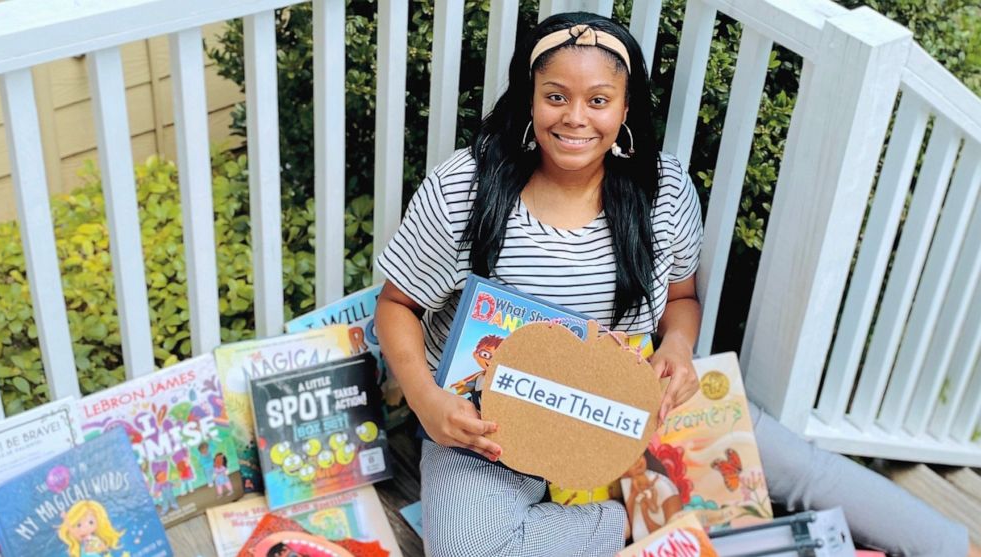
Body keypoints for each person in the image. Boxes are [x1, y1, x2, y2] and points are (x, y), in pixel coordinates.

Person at [373, 11, 969, 557]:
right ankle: (628, 522)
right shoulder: (468, 186)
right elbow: (395, 304)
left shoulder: (660, 191)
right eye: (555, 96)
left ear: (626, 108)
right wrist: (428, 403)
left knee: (805, 471)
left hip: (636, 401)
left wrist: (678, 349)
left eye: (598, 100)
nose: (575, 117)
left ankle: (955, 547)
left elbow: (681, 301)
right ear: (530, 100)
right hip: (490, 420)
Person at [57, 499, 123, 557]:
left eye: (90, 522)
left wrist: (104, 549)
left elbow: (103, 548)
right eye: (79, 525)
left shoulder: (92, 539)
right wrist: (66, 519)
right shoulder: (83, 539)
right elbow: (72, 531)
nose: (85, 527)